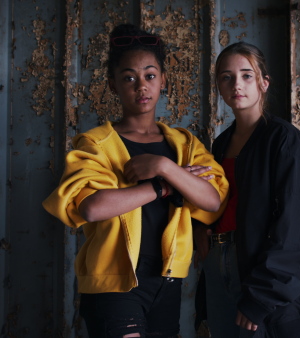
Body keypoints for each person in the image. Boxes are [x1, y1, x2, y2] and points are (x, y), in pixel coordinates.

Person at [42, 23, 228, 338]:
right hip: (113, 283)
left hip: (167, 281)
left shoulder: (183, 145)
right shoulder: (96, 143)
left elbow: (212, 200)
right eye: (129, 77)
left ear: (163, 81)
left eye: (150, 75)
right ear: (114, 85)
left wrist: (164, 167)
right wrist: (163, 186)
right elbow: (93, 207)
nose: (141, 86)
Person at [194, 41, 300, 338]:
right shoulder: (220, 144)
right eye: (226, 77)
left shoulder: (282, 138)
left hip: (258, 270)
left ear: (264, 83)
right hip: (219, 261)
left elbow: (295, 225)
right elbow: (215, 202)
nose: (237, 84)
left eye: (246, 75)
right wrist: (200, 233)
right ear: (218, 86)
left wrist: (261, 297)